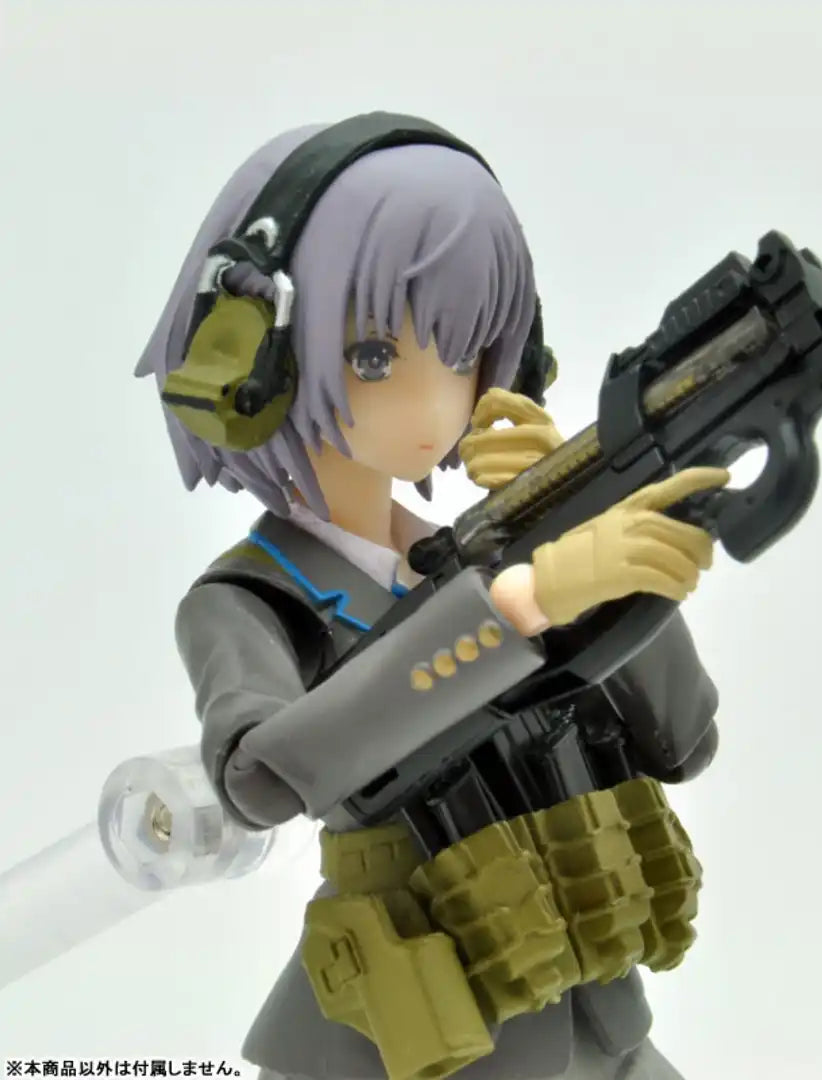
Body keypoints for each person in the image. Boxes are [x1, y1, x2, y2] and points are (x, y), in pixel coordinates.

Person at [136, 112, 725, 1080]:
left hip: (591, 999)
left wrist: (582, 528)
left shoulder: (481, 552)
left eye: (460, 355)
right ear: (250, 364)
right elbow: (259, 778)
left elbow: (683, 741)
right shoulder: (248, 600)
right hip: (419, 1031)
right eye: (373, 358)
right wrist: (516, 609)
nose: (432, 401)